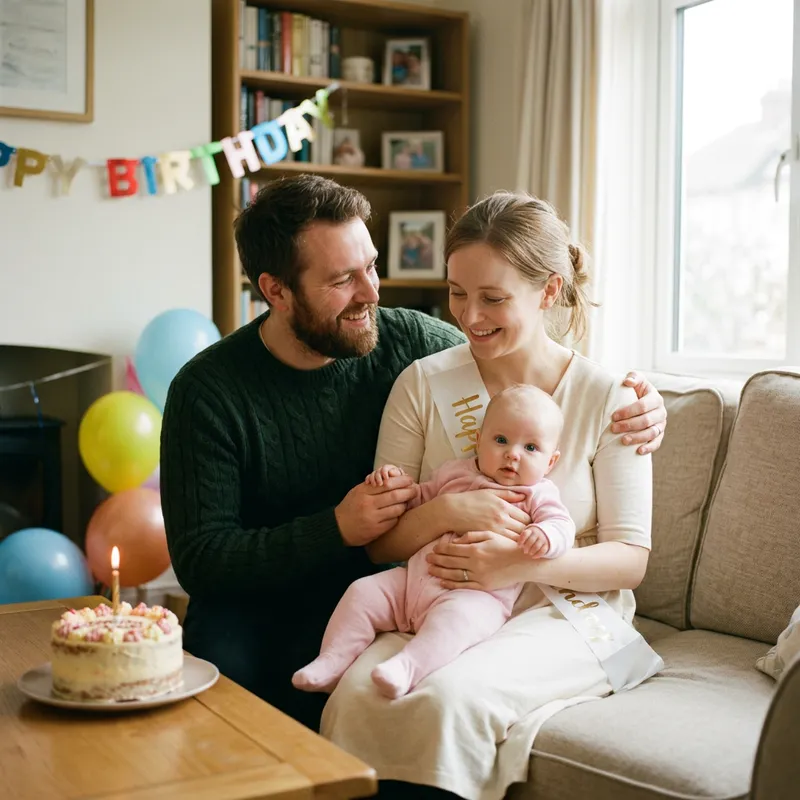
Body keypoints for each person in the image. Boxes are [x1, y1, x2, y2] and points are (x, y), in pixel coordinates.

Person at [160, 174, 666, 739]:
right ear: (276, 290)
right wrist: (336, 529)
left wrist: (644, 403)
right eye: (343, 279)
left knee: (401, 694)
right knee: (242, 722)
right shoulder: (208, 391)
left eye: (370, 266)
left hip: (410, 593)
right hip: (267, 605)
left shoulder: (402, 340)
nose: (372, 293)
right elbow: (202, 561)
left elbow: (518, 362)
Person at [319, 191, 662, 800]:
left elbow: (630, 561)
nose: (469, 315)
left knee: (450, 699)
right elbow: (379, 550)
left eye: (493, 298)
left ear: (550, 291)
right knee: (358, 693)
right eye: (457, 292)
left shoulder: (613, 399)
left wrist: (520, 560)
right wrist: (448, 511)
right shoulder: (422, 383)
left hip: (563, 612)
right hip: (440, 599)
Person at [291, 384, 574, 701]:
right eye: (501, 440)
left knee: (455, 622)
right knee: (362, 592)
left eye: (531, 448)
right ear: (478, 441)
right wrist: (393, 482)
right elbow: (416, 502)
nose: (513, 454)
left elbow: (562, 524)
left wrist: (546, 536)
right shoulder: (453, 473)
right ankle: (332, 661)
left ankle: (407, 668)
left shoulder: (536, 493)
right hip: (410, 583)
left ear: (551, 462)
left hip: (475, 596)